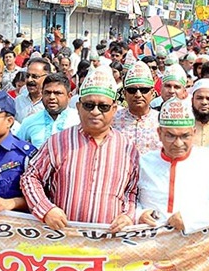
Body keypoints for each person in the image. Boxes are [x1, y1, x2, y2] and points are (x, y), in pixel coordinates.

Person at [21, 65, 139, 231]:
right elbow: (30, 177)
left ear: (113, 109)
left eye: (103, 106)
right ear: (78, 107)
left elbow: (131, 191)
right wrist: (46, 210)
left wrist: (128, 215)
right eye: (89, 105)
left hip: (109, 244)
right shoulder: (58, 142)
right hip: (64, 239)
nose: (95, 112)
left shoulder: (127, 148)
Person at [136, 97, 209, 233]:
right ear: (159, 133)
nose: (178, 143)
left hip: (197, 244)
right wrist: (139, 214)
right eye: (170, 136)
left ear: (194, 133)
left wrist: (191, 219)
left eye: (185, 136)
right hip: (150, 245)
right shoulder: (143, 163)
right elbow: (128, 198)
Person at [17, 73, 80, 148]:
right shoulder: (29, 122)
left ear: (69, 96)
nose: (52, 97)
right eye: (47, 93)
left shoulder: (79, 121)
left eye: (57, 93)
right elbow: (17, 149)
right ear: (42, 94)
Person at [112, 62, 162, 155]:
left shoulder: (161, 121)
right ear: (124, 94)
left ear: (152, 93)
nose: (138, 95)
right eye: (132, 90)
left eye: (144, 90)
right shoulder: (112, 120)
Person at [15, 58, 48, 122]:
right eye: (27, 76)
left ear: (46, 77)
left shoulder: (51, 101)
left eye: (35, 76)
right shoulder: (18, 101)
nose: (29, 80)